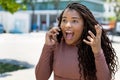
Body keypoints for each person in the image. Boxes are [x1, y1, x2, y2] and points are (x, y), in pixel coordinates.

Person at [35, 2, 118, 80]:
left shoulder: (94, 45)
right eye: (64, 20)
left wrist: (98, 52)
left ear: (84, 25)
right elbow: (40, 77)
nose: (67, 25)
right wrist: (47, 47)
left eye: (74, 21)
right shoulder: (57, 44)